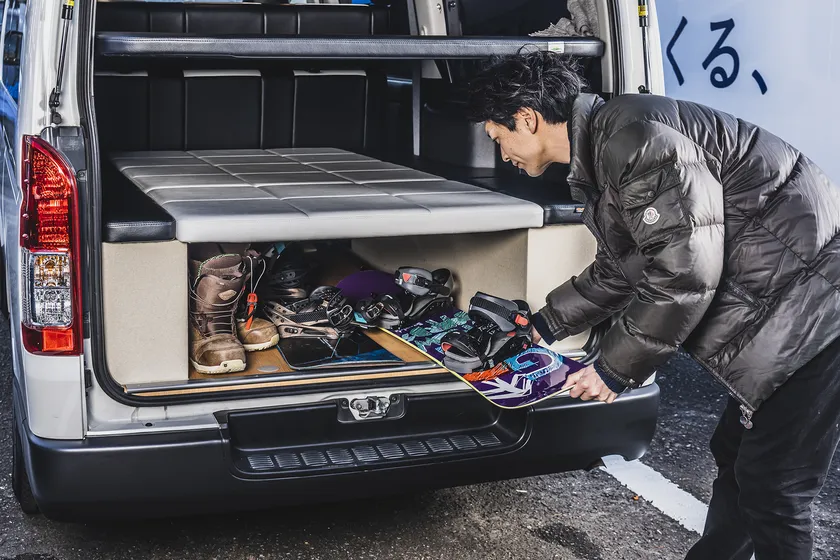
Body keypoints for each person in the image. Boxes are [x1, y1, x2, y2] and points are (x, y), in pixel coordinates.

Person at [464, 51, 840, 560]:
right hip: (794, 310)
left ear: (527, 118)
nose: (502, 153)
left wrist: (614, 369)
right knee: (739, 460)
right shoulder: (610, 141)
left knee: (774, 489)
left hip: (816, 317)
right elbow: (624, 267)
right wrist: (542, 326)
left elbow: (684, 271)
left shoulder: (636, 140)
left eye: (498, 136)